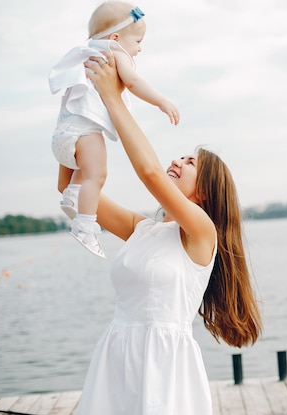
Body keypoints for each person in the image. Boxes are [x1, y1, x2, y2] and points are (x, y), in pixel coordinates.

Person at [63, 51, 261, 415]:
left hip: (165, 366)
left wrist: (113, 95)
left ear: (205, 191)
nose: (177, 162)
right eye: (180, 156)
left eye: (190, 163)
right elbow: (72, 193)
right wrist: (77, 118)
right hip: (116, 357)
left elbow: (150, 173)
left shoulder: (203, 233)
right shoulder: (143, 230)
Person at [49, 1, 179, 258]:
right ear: (117, 37)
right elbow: (133, 81)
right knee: (97, 176)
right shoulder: (115, 52)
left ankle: (72, 196)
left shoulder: (86, 53)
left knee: (87, 172)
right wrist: (161, 101)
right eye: (138, 42)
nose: (139, 48)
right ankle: (85, 226)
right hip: (83, 133)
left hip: (63, 135)